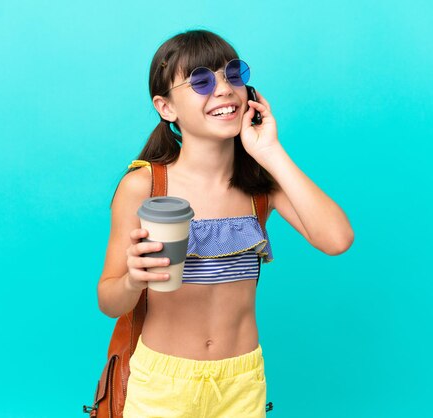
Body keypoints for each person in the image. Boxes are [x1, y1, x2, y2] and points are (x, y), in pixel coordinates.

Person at [97, 29, 354, 418]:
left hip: (242, 382)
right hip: (162, 384)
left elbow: (337, 239)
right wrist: (133, 280)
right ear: (166, 108)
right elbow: (109, 300)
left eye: (233, 75)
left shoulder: (259, 186)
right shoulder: (145, 185)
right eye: (200, 80)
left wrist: (270, 151)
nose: (223, 89)